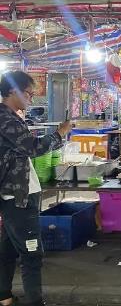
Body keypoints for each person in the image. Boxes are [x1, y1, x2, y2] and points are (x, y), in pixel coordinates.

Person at [0, 71, 72, 306]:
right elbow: (33, 147)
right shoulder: (5, 119)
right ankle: (34, 302)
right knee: (32, 255)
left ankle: (5, 297)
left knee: (9, 250)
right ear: (13, 91)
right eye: (29, 93)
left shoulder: (12, 117)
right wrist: (60, 134)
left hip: (18, 194)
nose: (31, 99)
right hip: (18, 197)